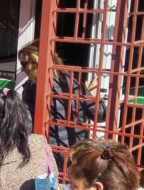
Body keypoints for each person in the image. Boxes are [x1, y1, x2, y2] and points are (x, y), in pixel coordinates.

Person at [16, 42, 105, 171]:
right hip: (77, 149)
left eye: (24, 64)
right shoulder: (71, 80)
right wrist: (95, 97)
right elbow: (100, 115)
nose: (23, 69)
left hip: (51, 153)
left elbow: (27, 126)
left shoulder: (32, 88)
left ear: (36, 62)